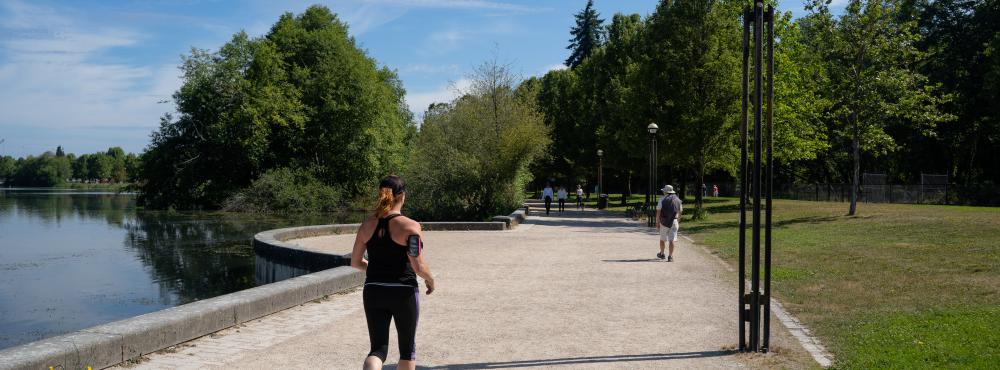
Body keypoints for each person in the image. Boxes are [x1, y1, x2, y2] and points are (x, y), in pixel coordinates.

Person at [351, 175, 435, 370]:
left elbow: (355, 262)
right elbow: (418, 266)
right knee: (407, 351)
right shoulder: (411, 226)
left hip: (373, 291)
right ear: (402, 196)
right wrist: (430, 280)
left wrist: (372, 269)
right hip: (403, 291)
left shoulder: (366, 225)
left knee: (378, 349)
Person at [656, 184, 683, 262]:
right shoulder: (678, 200)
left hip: (664, 222)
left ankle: (662, 253)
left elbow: (658, 212)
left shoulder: (662, 200)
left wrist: (657, 222)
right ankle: (670, 256)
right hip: (674, 221)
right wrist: (678, 220)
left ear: (665, 192)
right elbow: (680, 211)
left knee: (662, 239)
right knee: (672, 240)